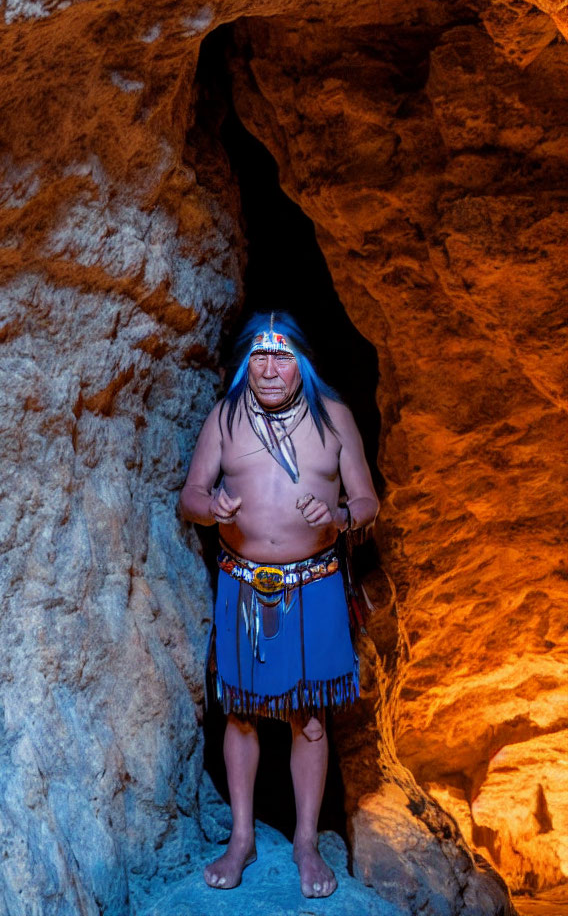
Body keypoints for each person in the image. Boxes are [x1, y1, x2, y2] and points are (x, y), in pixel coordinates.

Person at [179, 311, 379, 898]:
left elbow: (368, 500)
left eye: (283, 356)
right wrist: (207, 507)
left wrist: (341, 517)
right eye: (259, 358)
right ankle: (241, 838)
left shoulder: (335, 418)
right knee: (240, 712)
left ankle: (307, 842)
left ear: (302, 363)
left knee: (310, 717)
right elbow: (189, 493)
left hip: (314, 584)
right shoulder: (226, 417)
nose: (269, 369)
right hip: (242, 584)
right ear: (247, 362)